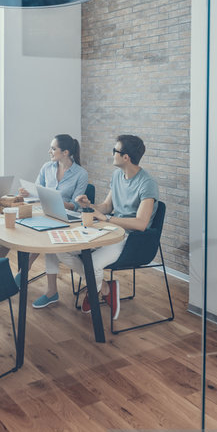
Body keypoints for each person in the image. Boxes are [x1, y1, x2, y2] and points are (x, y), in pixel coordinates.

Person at [57, 134, 159, 320]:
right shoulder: (117, 175)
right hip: (109, 229)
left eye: (115, 151)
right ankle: (104, 287)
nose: (112, 154)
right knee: (63, 251)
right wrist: (89, 205)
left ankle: (95, 292)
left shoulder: (147, 184)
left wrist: (107, 219)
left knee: (94, 264)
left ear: (125, 157)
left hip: (130, 239)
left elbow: (141, 224)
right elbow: (106, 207)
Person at [0, 134, 88, 308]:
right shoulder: (47, 167)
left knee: (48, 238)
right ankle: (43, 287)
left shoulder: (81, 174)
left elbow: (76, 205)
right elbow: (37, 190)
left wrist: (56, 201)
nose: (49, 151)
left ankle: (38, 284)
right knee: (33, 233)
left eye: (53, 148)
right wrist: (27, 193)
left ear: (65, 152)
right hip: (45, 213)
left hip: (68, 219)